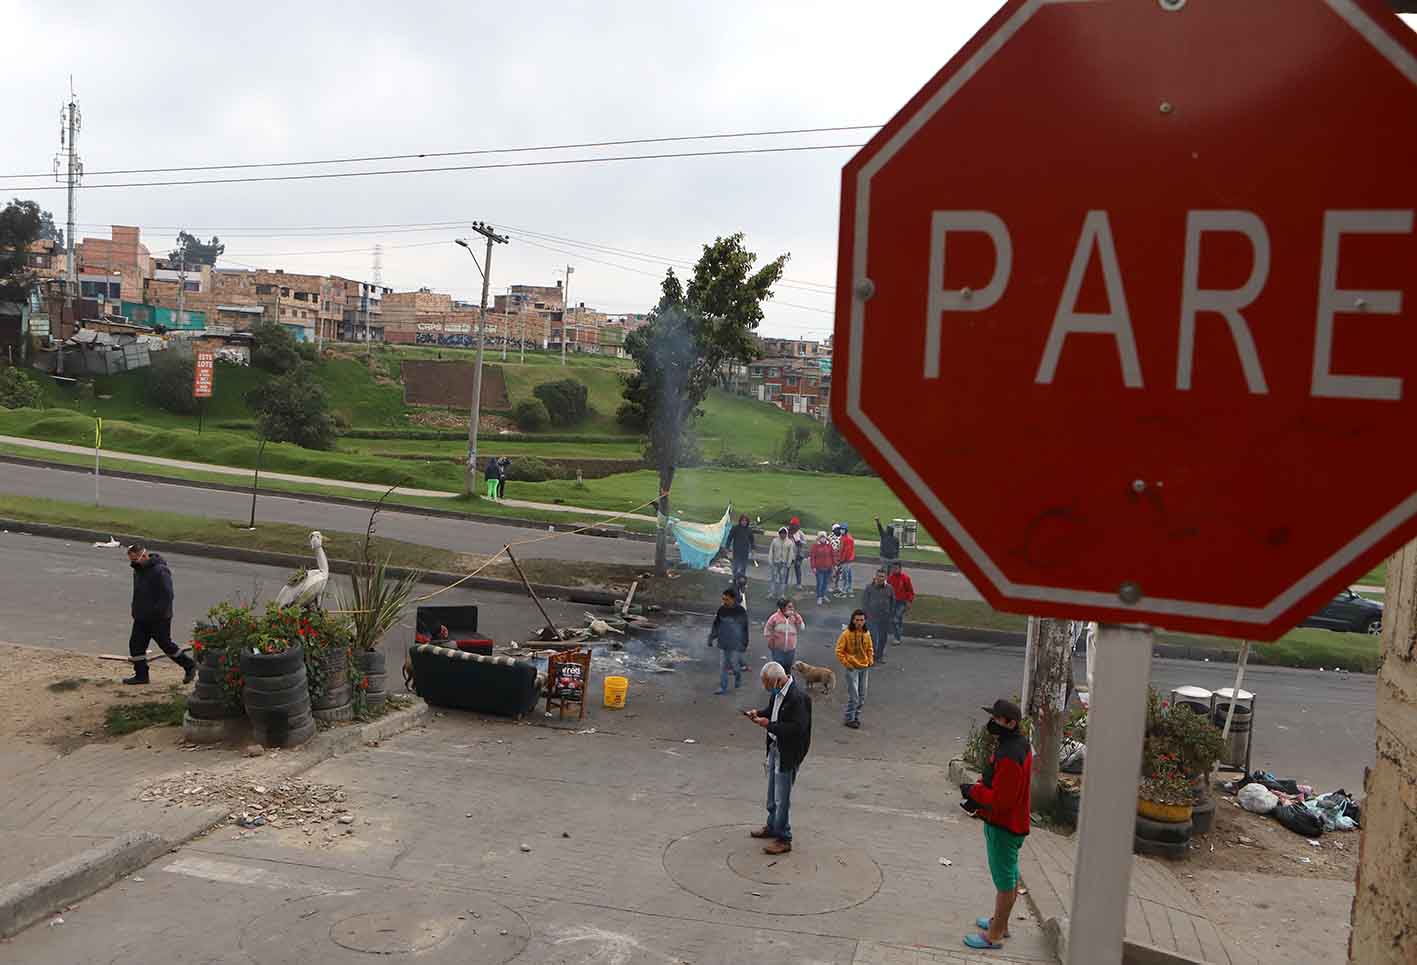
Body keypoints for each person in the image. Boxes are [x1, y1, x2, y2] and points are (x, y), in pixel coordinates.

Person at [961, 699, 1033, 951]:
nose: (992, 723)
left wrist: (974, 792)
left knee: (1004, 884)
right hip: (1013, 823)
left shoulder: (1010, 755)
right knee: (1010, 877)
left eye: (997, 719)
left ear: (1010, 723)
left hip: (1004, 826)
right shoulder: (1019, 745)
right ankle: (1000, 923)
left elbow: (1002, 801)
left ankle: (994, 936)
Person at [744, 661, 812, 855]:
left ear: (777, 681)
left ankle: (784, 837)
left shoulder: (798, 698)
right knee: (772, 794)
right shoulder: (779, 693)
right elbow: (773, 712)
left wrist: (768, 725)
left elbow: (796, 729)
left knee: (782, 798)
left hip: (788, 752)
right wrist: (758, 713)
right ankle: (772, 826)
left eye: (767, 685)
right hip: (775, 747)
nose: (767, 689)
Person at [124, 543, 196, 686]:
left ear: (143, 555)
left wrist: (157, 613)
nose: (133, 563)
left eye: (135, 559)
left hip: (159, 618)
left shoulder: (160, 571)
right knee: (136, 646)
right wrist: (135, 609)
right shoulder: (138, 569)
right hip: (141, 617)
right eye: (131, 560)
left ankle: (189, 666)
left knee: (167, 645)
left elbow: (167, 595)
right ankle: (141, 675)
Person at [834, 609, 873, 729]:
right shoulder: (846, 634)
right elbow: (839, 651)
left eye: (862, 620)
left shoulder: (866, 634)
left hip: (864, 668)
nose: (859, 622)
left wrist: (870, 660)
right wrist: (847, 664)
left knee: (862, 696)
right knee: (854, 697)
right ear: (853, 620)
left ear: (865, 621)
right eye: (857, 620)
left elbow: (870, 649)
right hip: (852, 669)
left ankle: (855, 717)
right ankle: (849, 718)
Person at [707, 586, 749, 695]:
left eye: (726, 599)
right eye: (723, 599)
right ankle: (723, 687)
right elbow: (716, 624)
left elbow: (745, 628)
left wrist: (744, 644)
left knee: (735, 664)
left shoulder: (740, 611)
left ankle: (738, 676)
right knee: (723, 666)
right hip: (723, 642)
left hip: (736, 643)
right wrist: (711, 637)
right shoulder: (722, 609)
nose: (724, 601)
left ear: (733, 599)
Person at [861, 568, 896, 665]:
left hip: (884, 618)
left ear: (885, 578)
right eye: (879, 576)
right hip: (872, 617)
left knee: (883, 638)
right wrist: (865, 614)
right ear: (875, 577)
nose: (880, 578)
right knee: (873, 638)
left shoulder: (890, 588)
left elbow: (893, 602)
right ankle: (871, 657)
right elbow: (864, 602)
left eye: (882, 577)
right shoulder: (869, 588)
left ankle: (879, 656)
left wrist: (891, 614)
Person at [763, 598, 805, 673]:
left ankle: (786, 684)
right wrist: (770, 641)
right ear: (782, 608)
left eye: (792, 606)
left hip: (790, 649)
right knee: (778, 669)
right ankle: (778, 684)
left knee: (788, 668)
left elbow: (802, 628)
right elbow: (767, 630)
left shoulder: (795, 617)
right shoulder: (774, 617)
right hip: (777, 649)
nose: (792, 608)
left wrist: (797, 617)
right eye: (789, 607)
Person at [887, 561, 915, 645]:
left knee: (896, 619)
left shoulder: (905, 578)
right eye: (893, 568)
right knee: (896, 620)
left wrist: (909, 601)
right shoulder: (890, 578)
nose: (895, 570)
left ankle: (897, 638)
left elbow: (910, 591)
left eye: (896, 568)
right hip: (892, 602)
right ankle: (897, 634)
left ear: (900, 569)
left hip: (901, 603)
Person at [727, 514, 755, 585]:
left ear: (747, 522)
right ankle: (734, 578)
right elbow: (730, 538)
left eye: (745, 521)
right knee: (735, 566)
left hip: (745, 551)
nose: (744, 522)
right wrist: (727, 547)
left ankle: (741, 581)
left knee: (743, 567)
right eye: (743, 521)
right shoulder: (735, 528)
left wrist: (753, 548)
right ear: (740, 521)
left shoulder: (749, 530)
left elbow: (752, 540)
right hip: (736, 550)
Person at [767, 526, 794, 599]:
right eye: (781, 533)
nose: (783, 535)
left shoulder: (789, 542)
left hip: (784, 563)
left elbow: (790, 554)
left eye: (784, 533)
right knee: (773, 579)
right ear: (779, 533)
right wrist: (770, 560)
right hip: (775, 563)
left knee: (783, 580)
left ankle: (782, 594)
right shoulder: (775, 541)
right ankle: (772, 593)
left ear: (786, 534)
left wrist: (789, 563)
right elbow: (771, 551)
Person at [809, 531, 835, 605]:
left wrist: (834, 565)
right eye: (821, 537)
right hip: (819, 568)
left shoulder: (829, 546)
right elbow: (812, 557)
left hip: (828, 568)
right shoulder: (815, 546)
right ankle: (819, 597)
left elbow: (832, 555)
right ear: (819, 538)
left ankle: (823, 595)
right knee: (820, 583)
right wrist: (813, 567)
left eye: (824, 537)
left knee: (825, 583)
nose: (823, 539)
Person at [787, 516, 806, 588]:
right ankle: (785, 583)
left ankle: (799, 583)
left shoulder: (800, 533)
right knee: (787, 568)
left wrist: (799, 542)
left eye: (795, 525)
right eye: (792, 525)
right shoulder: (788, 532)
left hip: (798, 554)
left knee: (797, 568)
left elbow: (804, 542)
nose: (793, 526)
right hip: (789, 554)